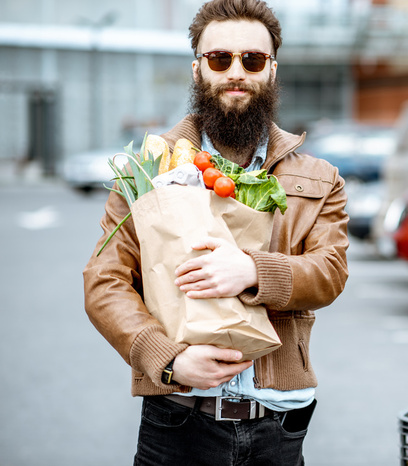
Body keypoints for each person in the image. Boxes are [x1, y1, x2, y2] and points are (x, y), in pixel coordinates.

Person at [82, 0, 349, 464]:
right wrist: (167, 357)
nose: (236, 72)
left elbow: (330, 272)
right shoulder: (145, 170)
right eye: (220, 58)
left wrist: (252, 270)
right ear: (197, 69)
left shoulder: (320, 177)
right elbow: (104, 282)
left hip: (278, 427)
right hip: (177, 419)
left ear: (272, 70)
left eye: (253, 59)